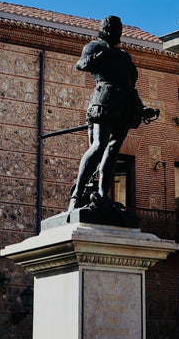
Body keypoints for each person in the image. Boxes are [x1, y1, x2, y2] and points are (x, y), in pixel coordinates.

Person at [67, 15, 159, 212]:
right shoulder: (94, 47)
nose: (118, 33)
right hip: (104, 100)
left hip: (125, 106)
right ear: (107, 29)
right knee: (99, 146)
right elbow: (81, 65)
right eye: (115, 29)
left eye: (119, 30)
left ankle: (103, 196)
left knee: (113, 150)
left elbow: (130, 86)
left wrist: (141, 109)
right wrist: (98, 57)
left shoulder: (124, 56)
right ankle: (76, 196)